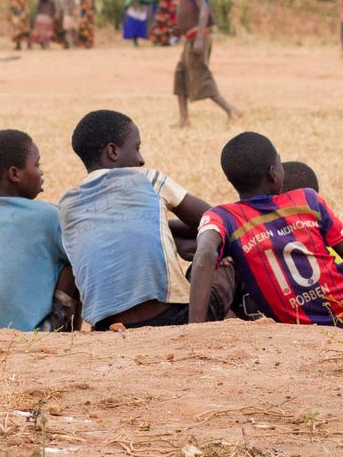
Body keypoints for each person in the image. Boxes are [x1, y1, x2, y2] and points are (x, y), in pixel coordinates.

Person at [57, 109, 229, 329]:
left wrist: (168, 232)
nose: (141, 159)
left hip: (106, 327)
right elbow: (215, 221)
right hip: (173, 317)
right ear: (113, 151)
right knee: (225, 264)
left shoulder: (68, 205)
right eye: (136, 148)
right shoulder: (147, 178)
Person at [189, 132, 343, 327]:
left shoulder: (222, 217)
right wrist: (326, 279)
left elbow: (204, 253)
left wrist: (194, 327)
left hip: (295, 331)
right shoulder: (307, 199)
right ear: (274, 173)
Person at [0, 129, 76, 332]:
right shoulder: (50, 216)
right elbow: (78, 261)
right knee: (72, 262)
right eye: (37, 165)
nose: (41, 172)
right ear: (14, 174)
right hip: (27, 333)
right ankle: (57, 332)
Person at [173, 0, 240, 126]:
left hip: (197, 38)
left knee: (200, 76)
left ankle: (230, 110)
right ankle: (184, 119)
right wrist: (180, 29)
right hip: (190, 38)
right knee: (181, 75)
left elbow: (203, 10)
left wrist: (201, 38)